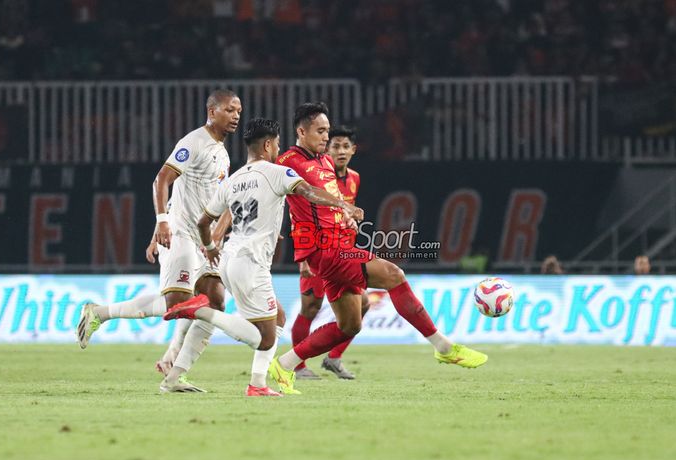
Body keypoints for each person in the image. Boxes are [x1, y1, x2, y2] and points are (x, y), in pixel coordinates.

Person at [269, 102, 488, 395]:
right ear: (301, 131)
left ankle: (285, 363)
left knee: (349, 325)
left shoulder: (324, 163)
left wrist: (345, 216)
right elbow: (300, 196)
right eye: (320, 132)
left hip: (339, 243)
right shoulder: (287, 162)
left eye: (327, 131)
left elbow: (329, 201)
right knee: (393, 275)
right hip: (324, 250)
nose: (326, 138)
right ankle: (443, 346)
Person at [163, 118, 364, 396]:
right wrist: (342, 203)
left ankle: (251, 383)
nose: (278, 149)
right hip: (251, 262)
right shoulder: (276, 172)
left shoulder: (234, 179)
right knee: (264, 337)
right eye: (278, 144)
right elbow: (309, 192)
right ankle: (199, 311)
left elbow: (203, 222)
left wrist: (210, 247)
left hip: (229, 258)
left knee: (277, 317)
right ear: (268, 144)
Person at [77, 89, 241, 393]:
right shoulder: (193, 142)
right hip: (180, 233)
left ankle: (173, 371)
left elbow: (205, 197)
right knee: (177, 304)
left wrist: (215, 235)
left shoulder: (222, 151)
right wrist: (162, 223)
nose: (235, 117)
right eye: (230, 110)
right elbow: (161, 180)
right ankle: (98, 313)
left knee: (216, 301)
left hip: (202, 240)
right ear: (212, 110)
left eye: (239, 112)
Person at [292, 126, 369, 380]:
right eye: (335, 146)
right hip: (317, 249)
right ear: (327, 148)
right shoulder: (314, 175)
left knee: (365, 303)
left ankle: (334, 357)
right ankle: (298, 365)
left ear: (353, 150)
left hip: (344, 250)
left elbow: (346, 212)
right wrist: (302, 257)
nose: (340, 151)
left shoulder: (355, 178)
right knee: (310, 307)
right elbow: (297, 213)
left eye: (346, 146)